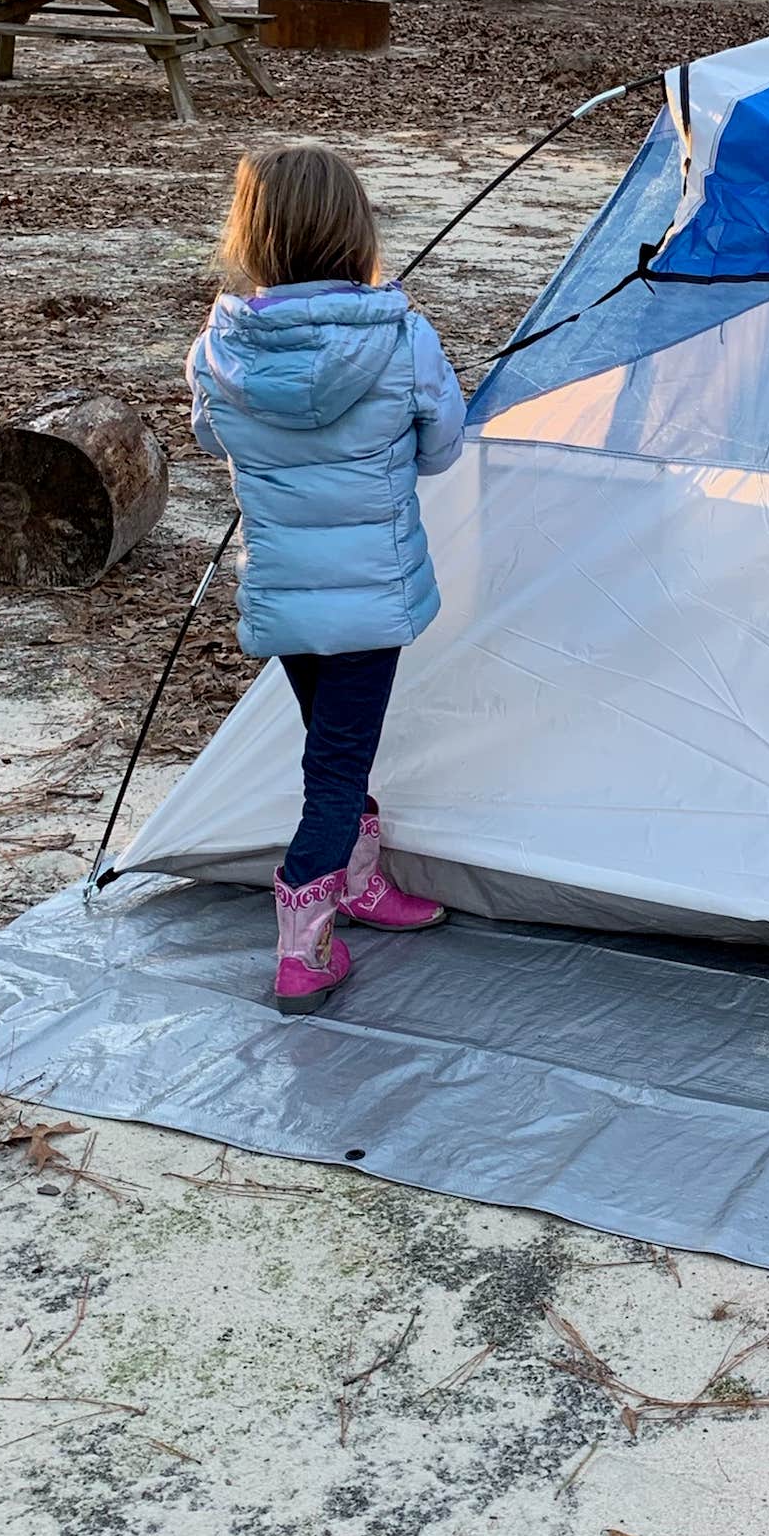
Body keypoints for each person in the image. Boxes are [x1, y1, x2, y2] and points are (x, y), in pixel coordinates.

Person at [188, 144, 466, 1009]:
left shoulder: (221, 344)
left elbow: (210, 436)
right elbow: (442, 446)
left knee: (333, 748)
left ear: (252, 236)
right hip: (371, 597)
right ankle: (302, 948)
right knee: (337, 768)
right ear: (356, 230)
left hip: (284, 591)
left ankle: (358, 881)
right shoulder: (400, 337)